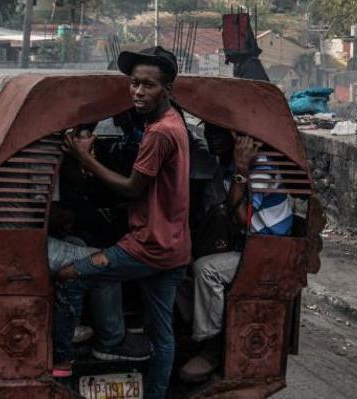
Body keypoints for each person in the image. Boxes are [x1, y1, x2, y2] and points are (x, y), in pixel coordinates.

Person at [54, 46, 190, 399]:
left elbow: (131, 188)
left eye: (149, 86)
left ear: (168, 90)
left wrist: (85, 158)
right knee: (162, 335)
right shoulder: (176, 124)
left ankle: (62, 365)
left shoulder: (159, 133)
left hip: (147, 247)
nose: (138, 92)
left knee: (70, 277)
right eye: (134, 84)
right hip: (174, 247)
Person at [178, 125, 293, 383]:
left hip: (267, 252)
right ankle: (197, 331)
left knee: (206, 270)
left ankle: (213, 345)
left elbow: (242, 220)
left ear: (237, 137)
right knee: (178, 265)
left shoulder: (261, 167)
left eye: (219, 134)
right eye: (209, 133)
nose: (211, 140)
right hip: (248, 246)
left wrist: (242, 171)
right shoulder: (228, 165)